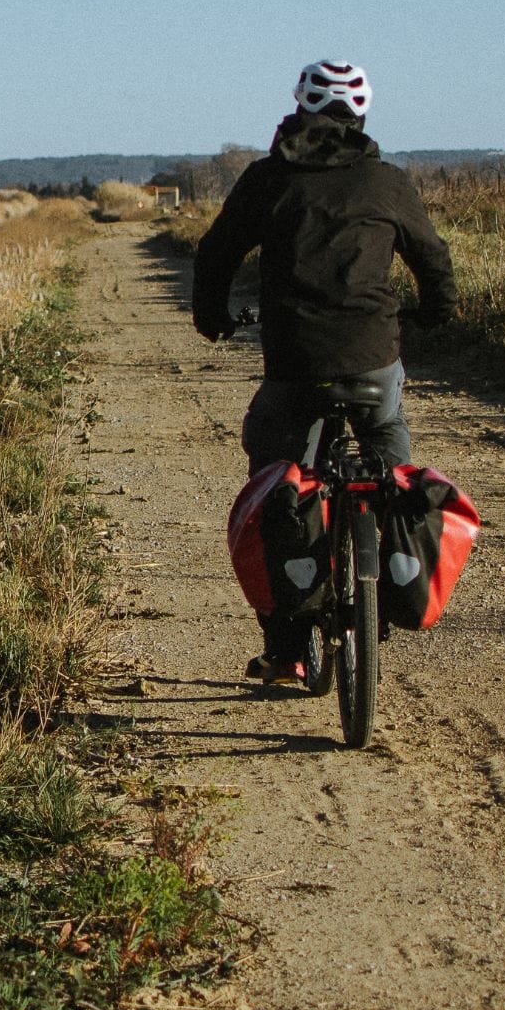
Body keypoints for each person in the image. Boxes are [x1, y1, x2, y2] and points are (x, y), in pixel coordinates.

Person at [192, 61, 457, 680]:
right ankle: (393, 582)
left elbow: (216, 252)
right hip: (373, 356)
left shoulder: (267, 180)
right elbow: (432, 257)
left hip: (295, 364)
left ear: (300, 110)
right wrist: (437, 314)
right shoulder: (388, 182)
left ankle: (285, 649)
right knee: (395, 465)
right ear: (361, 115)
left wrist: (213, 319)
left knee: (277, 480)